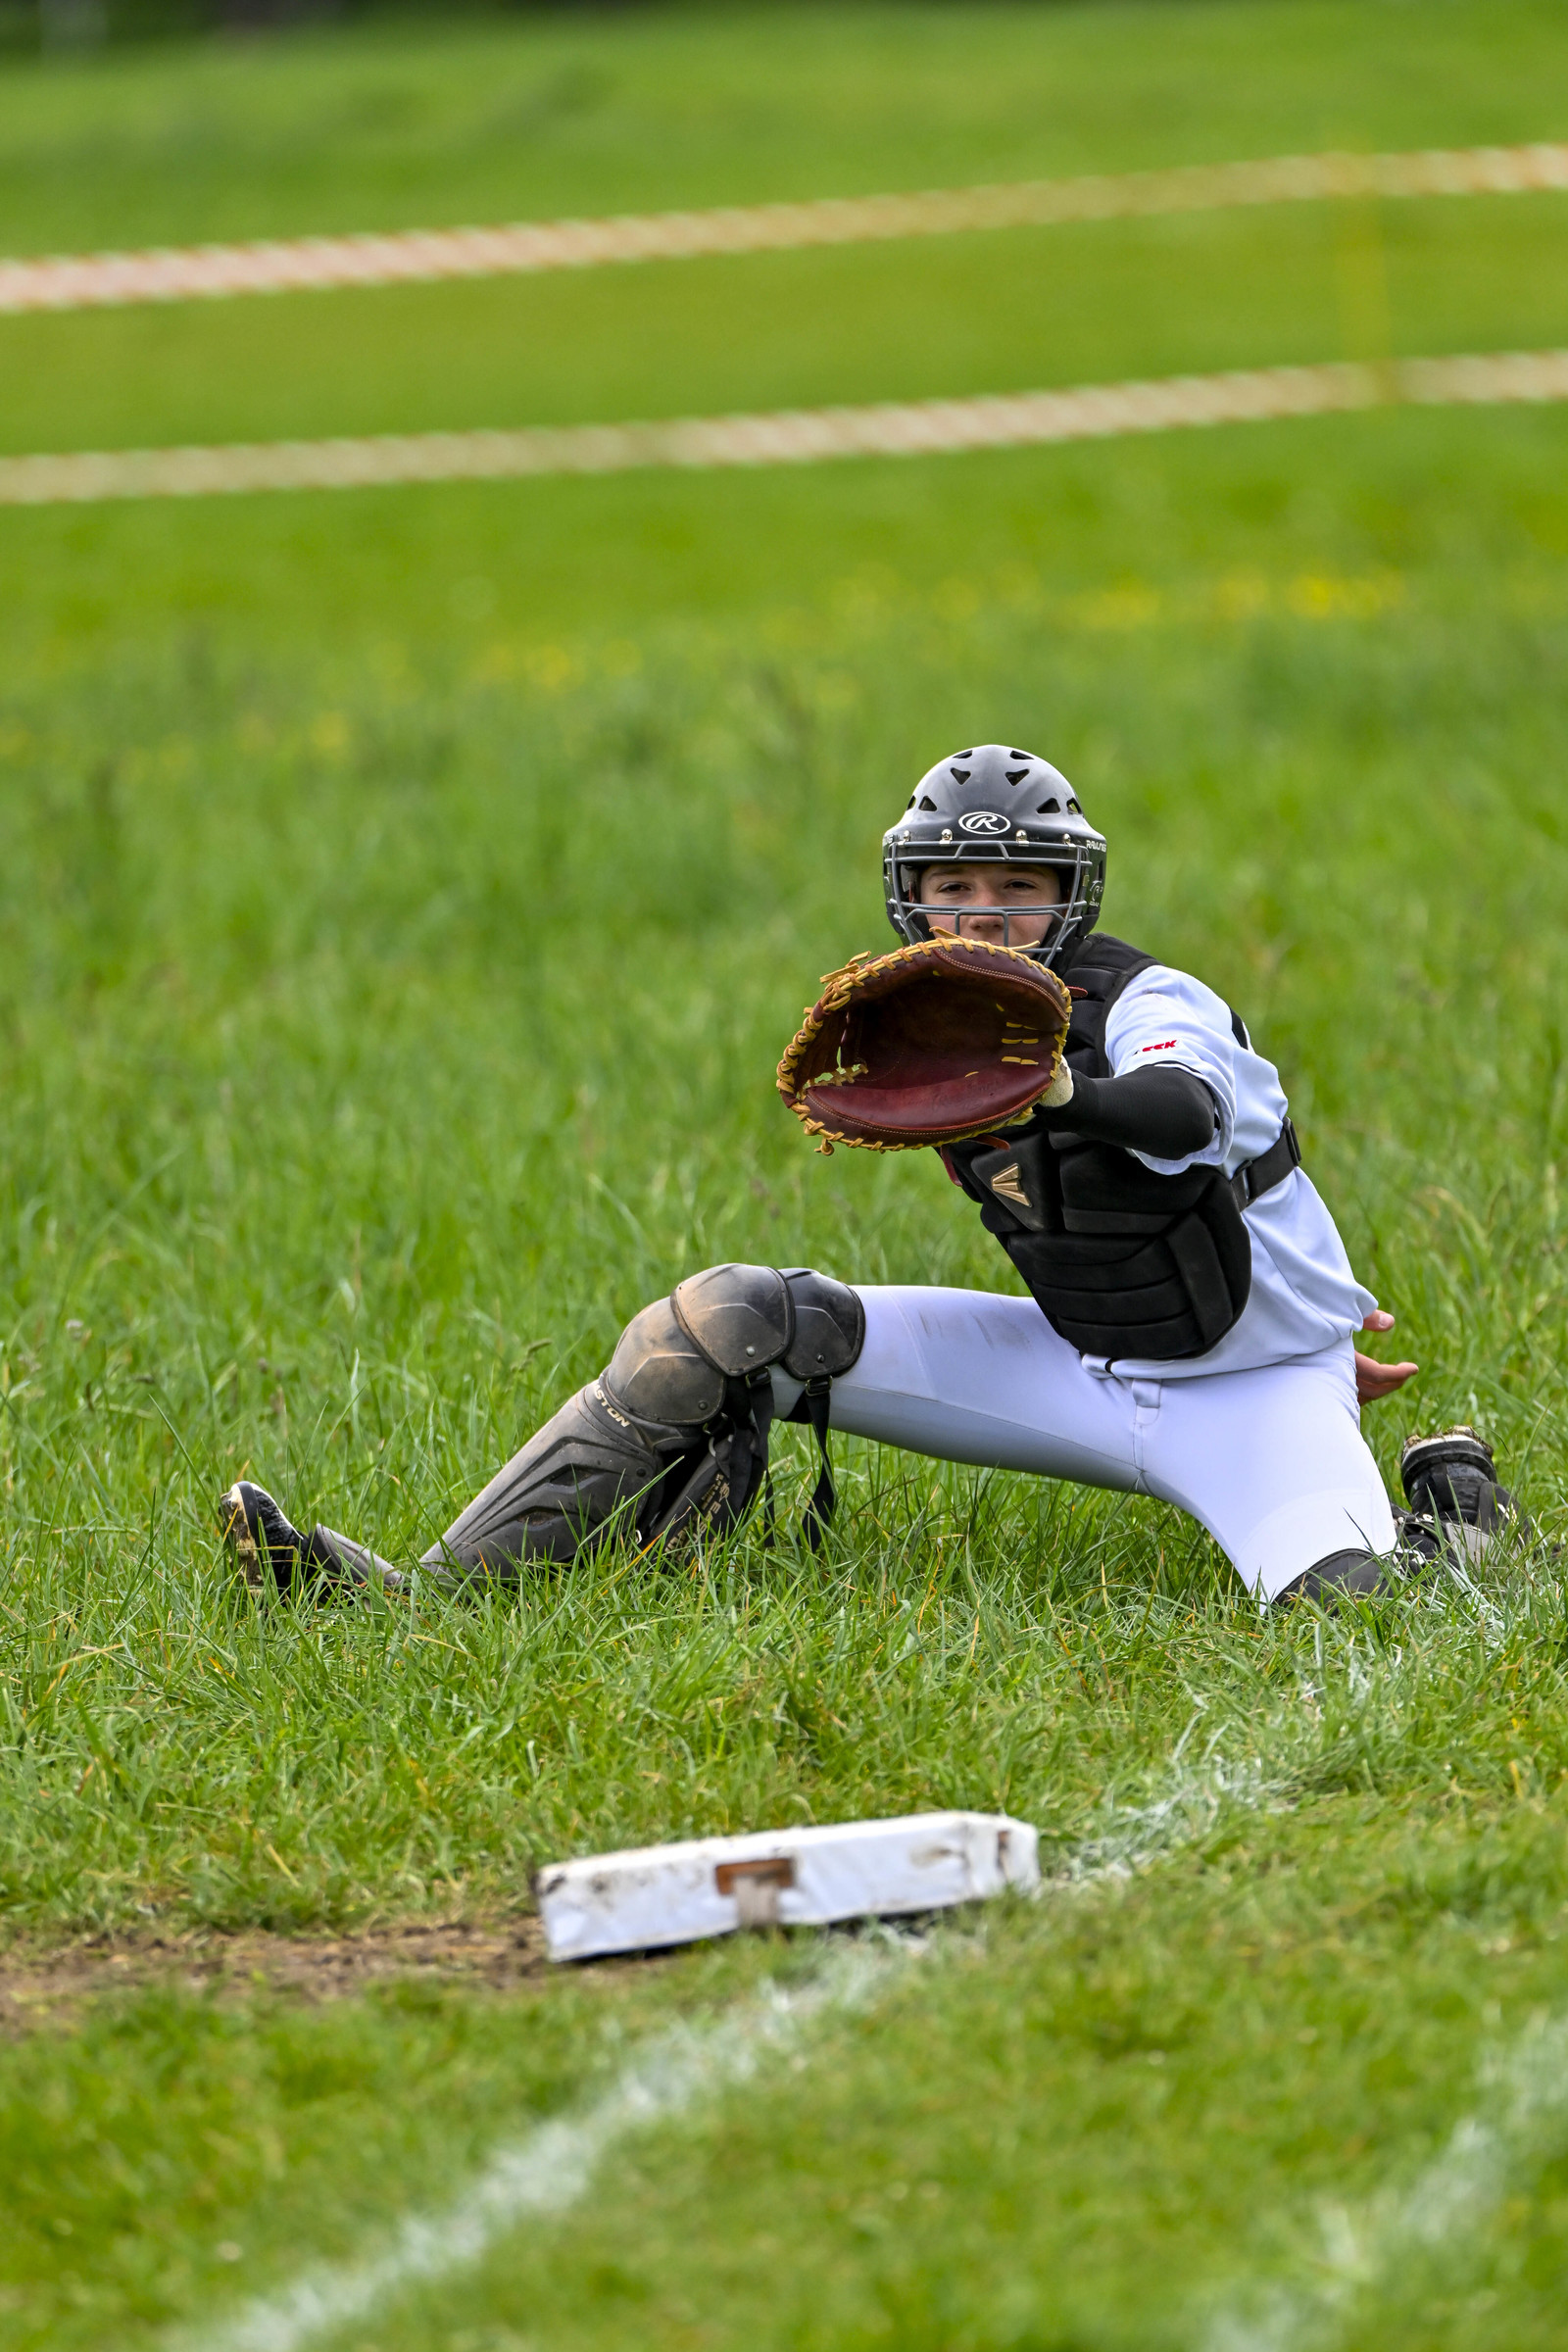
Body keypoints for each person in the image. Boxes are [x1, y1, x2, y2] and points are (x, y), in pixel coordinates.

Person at [220, 743, 1523, 1606]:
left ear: (1070, 894)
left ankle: (1456, 1498)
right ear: (908, 898)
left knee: (1353, 1618)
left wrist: (1070, 1095)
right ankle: (423, 1597)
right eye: (952, 885)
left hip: (1255, 1393)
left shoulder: (1150, 999)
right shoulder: (929, 1023)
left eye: (1015, 888)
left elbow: (1183, 1118)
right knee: (731, 1323)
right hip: (1082, 1371)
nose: (981, 917)